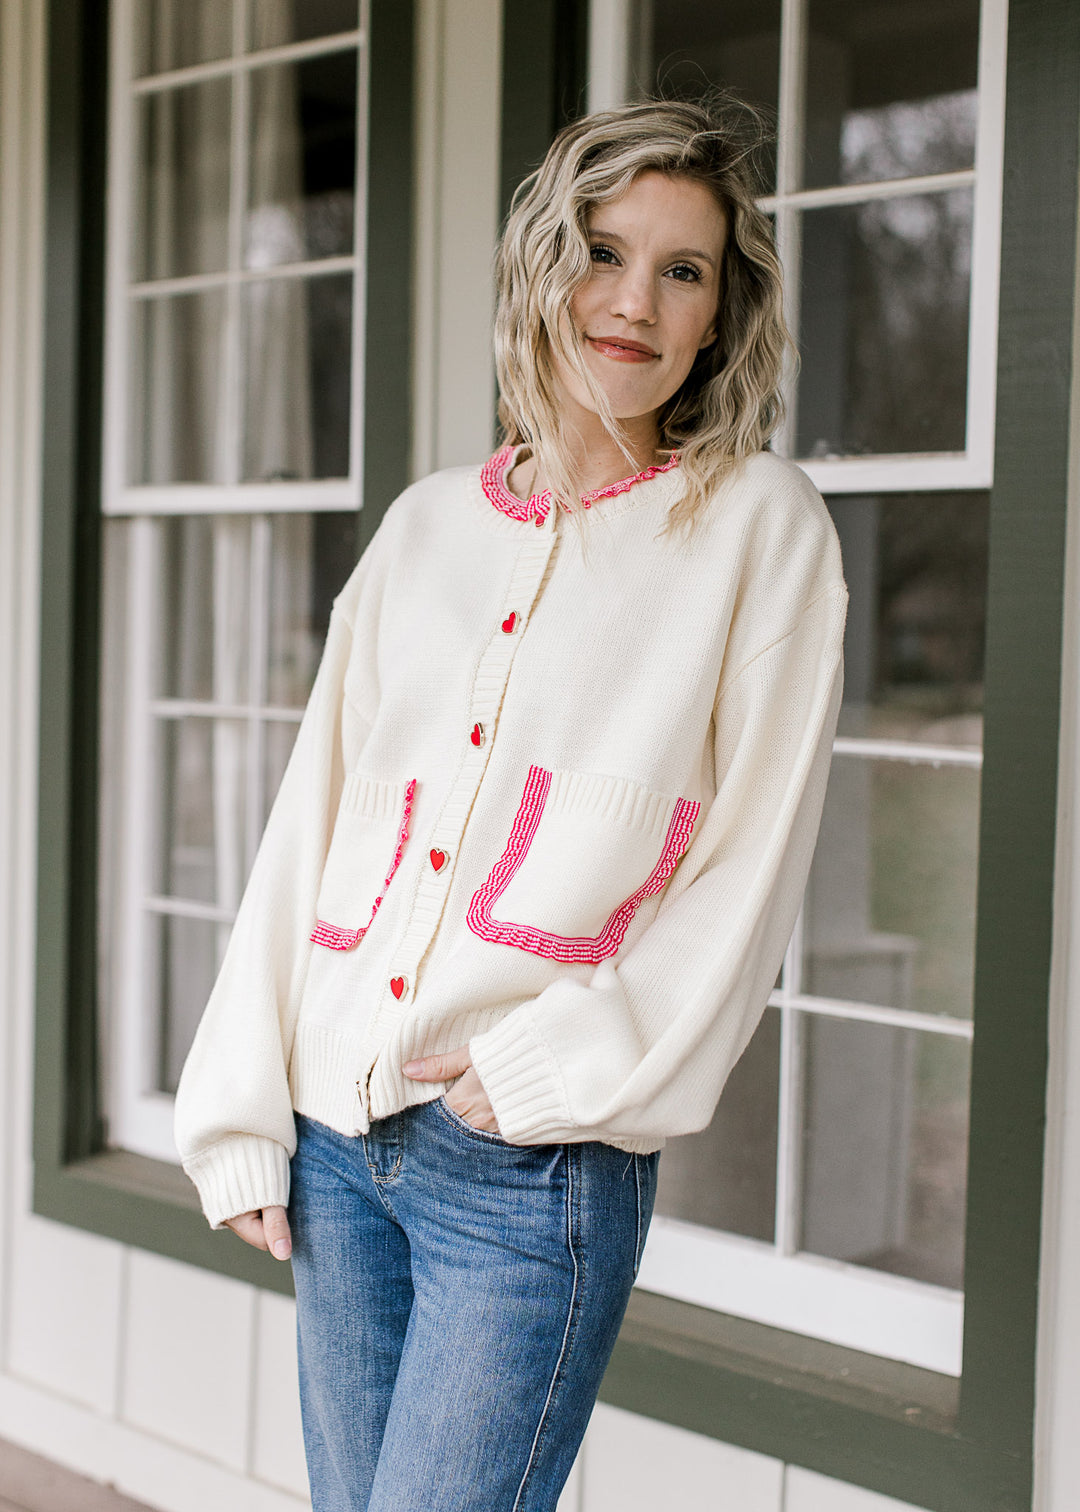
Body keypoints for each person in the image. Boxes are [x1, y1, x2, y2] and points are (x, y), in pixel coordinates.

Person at [174, 95, 848, 1512]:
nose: (634, 303)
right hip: (335, 1143)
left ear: (723, 316)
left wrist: (551, 1071)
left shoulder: (757, 533)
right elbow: (318, 823)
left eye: (684, 271)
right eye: (604, 252)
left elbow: (747, 870)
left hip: (530, 1171)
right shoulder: (424, 527)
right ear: (543, 265)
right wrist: (241, 1099)